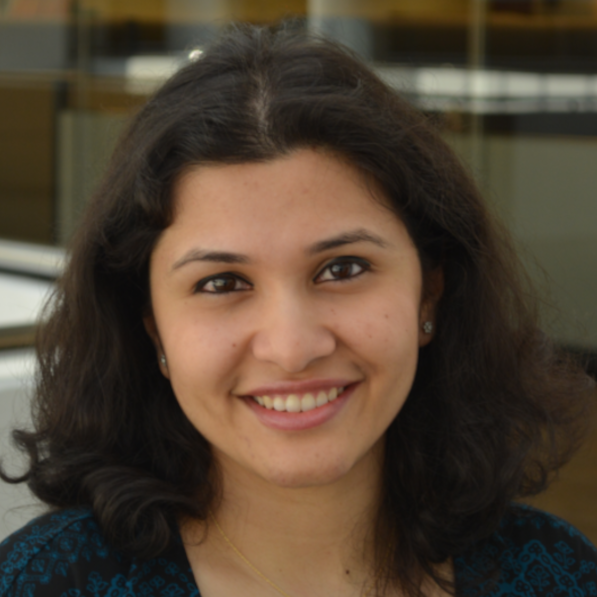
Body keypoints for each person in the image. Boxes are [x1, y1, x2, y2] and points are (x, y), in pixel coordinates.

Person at [1, 24, 596, 597]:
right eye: (222, 282)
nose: (291, 347)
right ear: (152, 326)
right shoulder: (43, 584)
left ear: (429, 292)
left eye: (342, 269)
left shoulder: (558, 575)